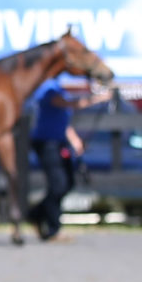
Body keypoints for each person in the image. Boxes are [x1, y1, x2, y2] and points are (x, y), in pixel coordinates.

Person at [26, 74, 93, 242]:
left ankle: (35, 214)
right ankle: (53, 229)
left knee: (68, 183)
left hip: (60, 143)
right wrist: (97, 98)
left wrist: (75, 141)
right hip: (47, 143)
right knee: (58, 184)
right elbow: (65, 103)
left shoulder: (58, 87)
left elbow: (62, 120)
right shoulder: (47, 87)